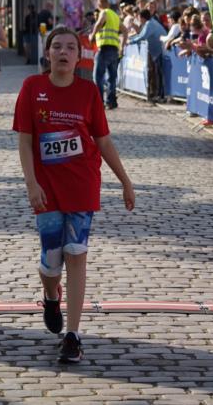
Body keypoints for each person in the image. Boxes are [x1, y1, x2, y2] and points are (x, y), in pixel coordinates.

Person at [13, 25, 135, 364]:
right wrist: (31, 183)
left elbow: (103, 141)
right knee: (51, 260)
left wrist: (125, 181)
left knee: (76, 252)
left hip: (83, 184)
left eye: (71, 47)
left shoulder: (89, 92)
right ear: (48, 53)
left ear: (79, 56)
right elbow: (24, 140)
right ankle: (51, 296)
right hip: (47, 189)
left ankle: (73, 334)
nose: (64, 52)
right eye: (57, 47)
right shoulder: (32, 87)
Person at [90, 0, 127, 110]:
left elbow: (99, 23)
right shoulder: (115, 16)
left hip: (104, 48)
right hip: (114, 50)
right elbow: (125, 30)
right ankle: (111, 102)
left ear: (99, 5)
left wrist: (92, 36)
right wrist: (122, 46)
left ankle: (99, 102)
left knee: (98, 77)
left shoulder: (104, 12)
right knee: (112, 77)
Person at [127, 8, 167, 102]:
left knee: (159, 74)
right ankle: (159, 95)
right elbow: (141, 35)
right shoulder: (150, 23)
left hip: (160, 51)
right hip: (158, 51)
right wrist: (132, 39)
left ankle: (161, 96)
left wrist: (131, 41)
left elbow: (143, 36)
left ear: (141, 17)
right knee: (158, 74)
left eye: (138, 17)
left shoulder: (149, 24)